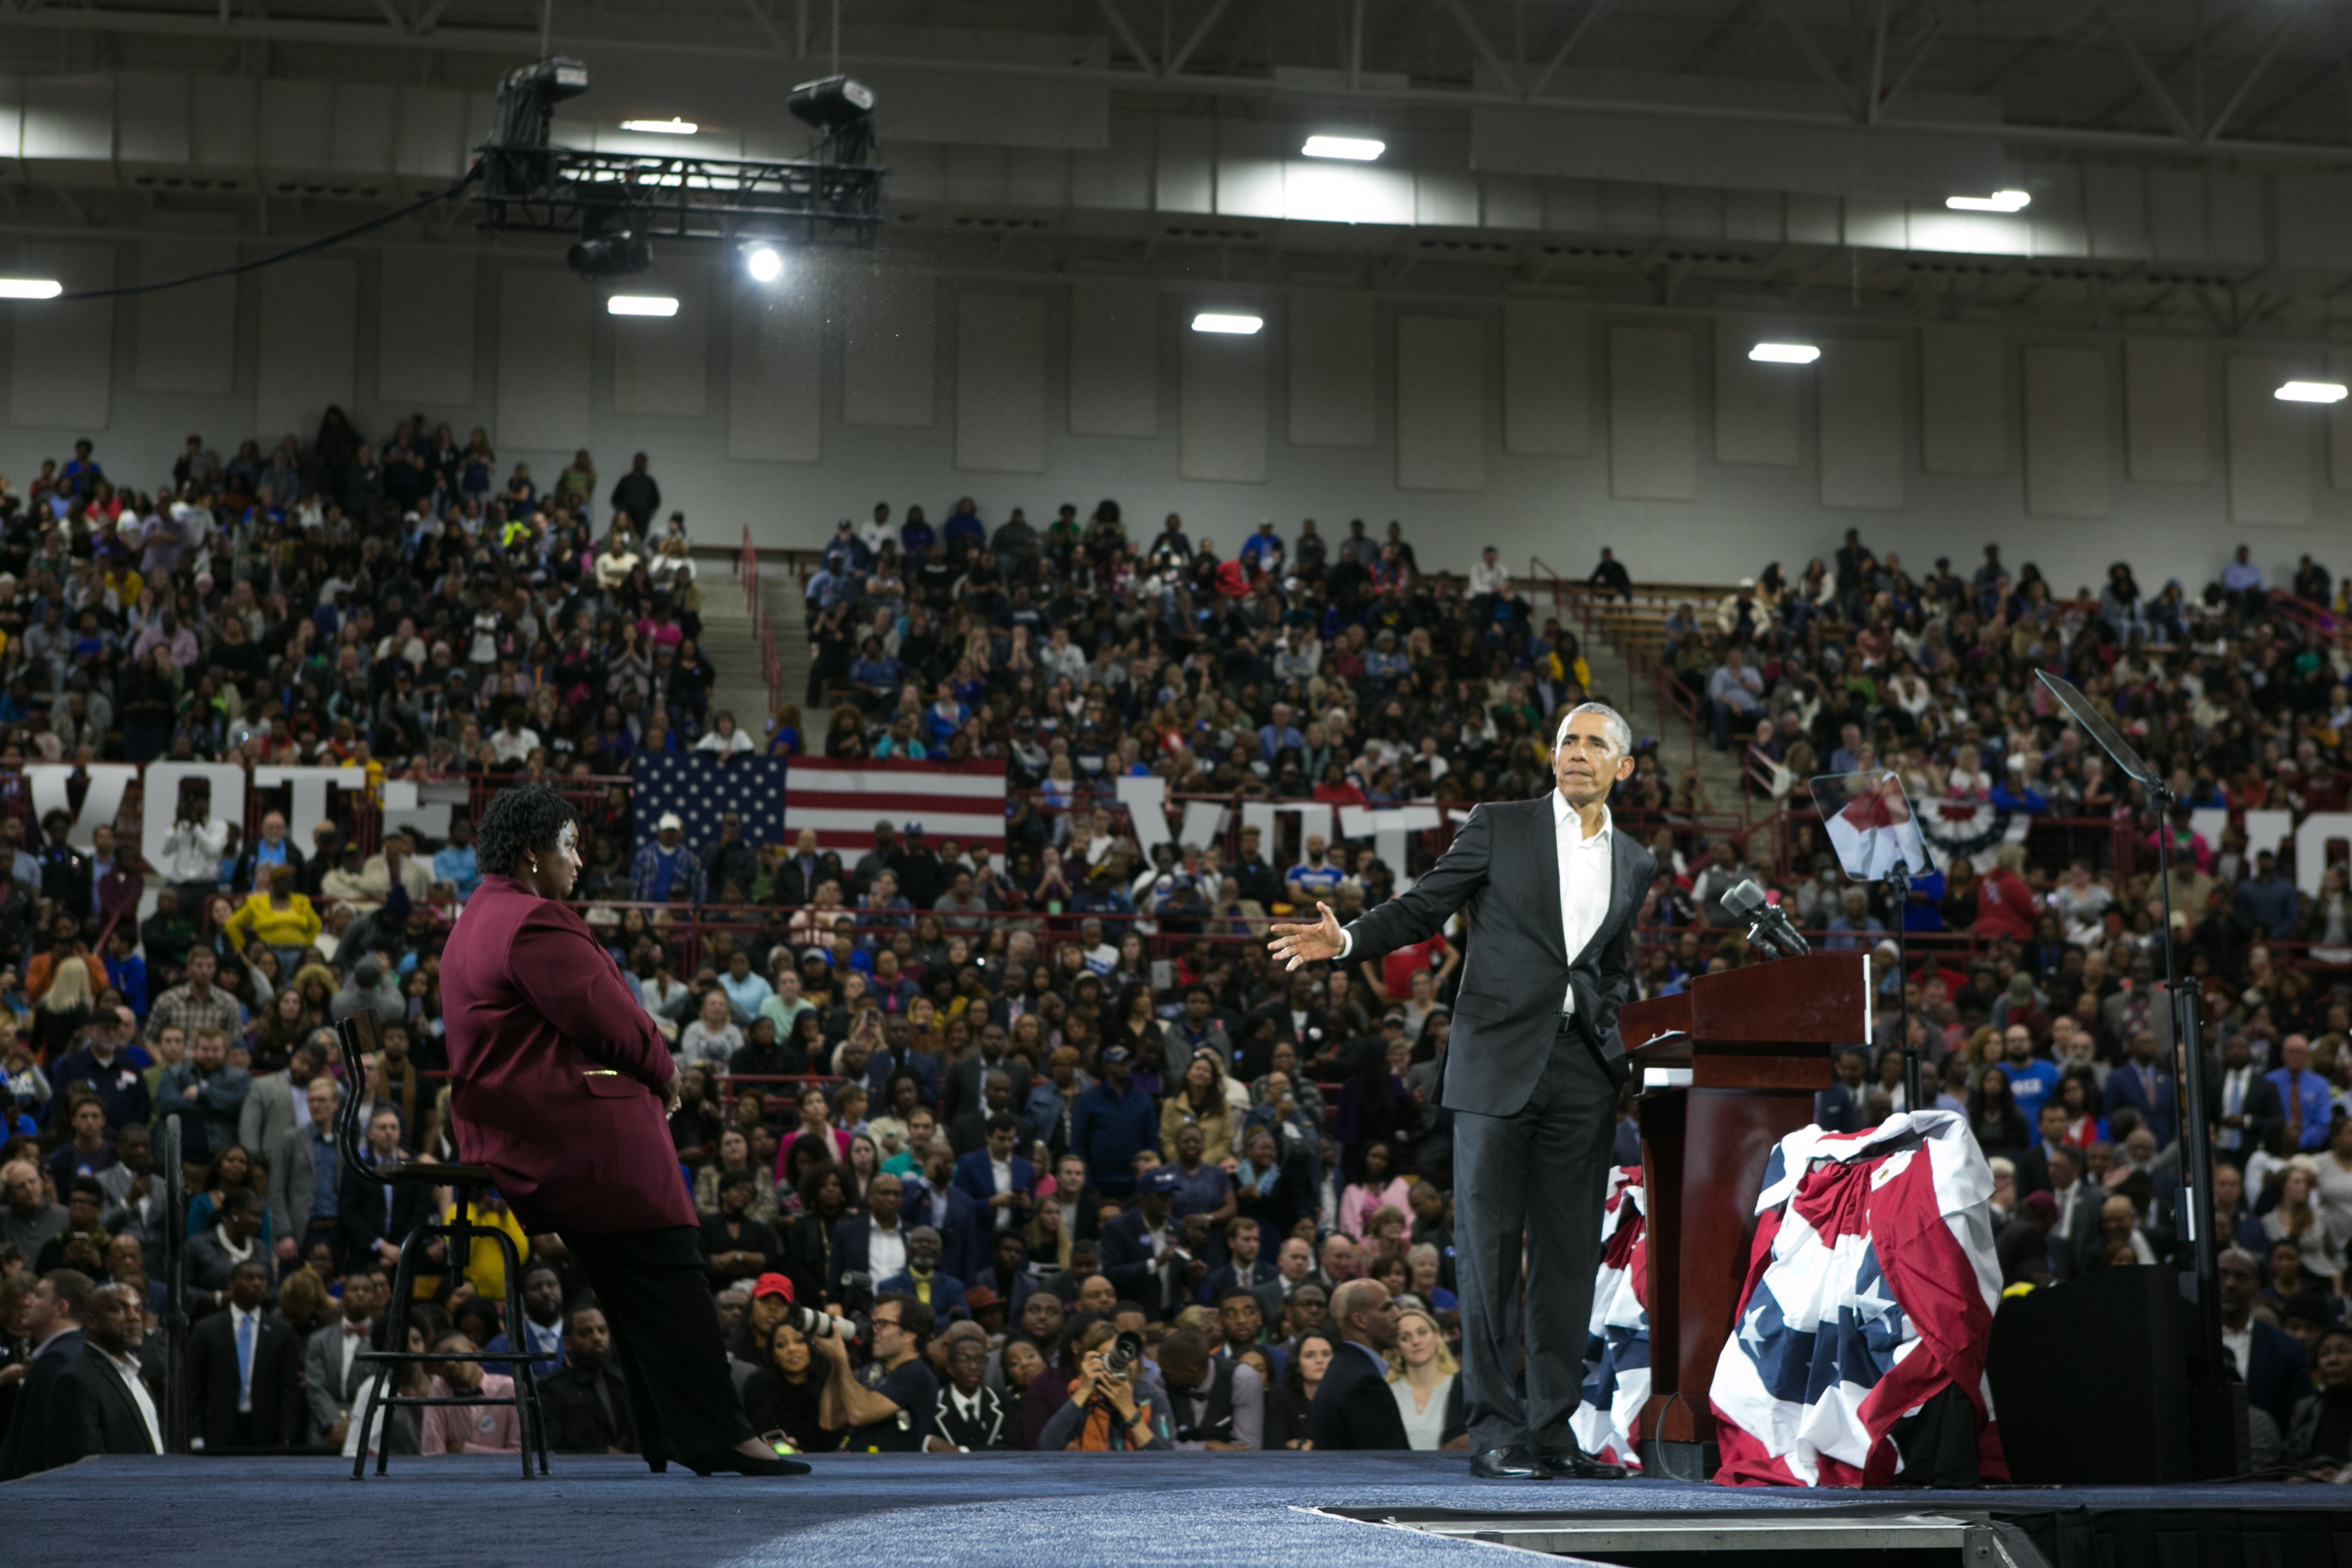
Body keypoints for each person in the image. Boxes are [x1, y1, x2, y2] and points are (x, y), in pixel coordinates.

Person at [1269, 703, 1651, 1480]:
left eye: (1595, 745)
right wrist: (1345, 941)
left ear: (1624, 768)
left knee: (1568, 1260)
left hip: (1581, 1075)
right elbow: (1423, 906)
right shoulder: (1499, 826)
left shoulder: (1636, 861)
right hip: (1494, 1067)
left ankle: (1551, 1431)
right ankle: (1496, 1432)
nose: (1577, 754)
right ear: (1553, 757)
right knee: (1486, 1254)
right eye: (1567, 742)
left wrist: (1616, 1044)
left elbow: (1612, 968)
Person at [436, 786, 803, 1477]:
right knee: (668, 1255)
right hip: (549, 1129)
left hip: (512, 1120)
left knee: (633, 1274)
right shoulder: (533, 921)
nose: (578, 862)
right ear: (530, 856)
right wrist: (664, 1072)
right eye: (568, 847)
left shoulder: (479, 915)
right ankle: (718, 1433)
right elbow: (608, 1015)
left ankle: (669, 1431)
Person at [187, 1259, 304, 1450]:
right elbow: (194, 1386)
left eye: (262, 1278)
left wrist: (286, 1437)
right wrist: (195, 1434)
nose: (257, 1283)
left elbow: (289, 1390)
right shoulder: (206, 1329)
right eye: (249, 1278)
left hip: (266, 1432)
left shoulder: (282, 1332)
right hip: (216, 1430)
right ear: (231, 1284)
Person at [42, 1282, 161, 1463]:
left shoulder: (136, 1375)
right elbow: (84, 1462)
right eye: (120, 1310)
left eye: (138, 1310)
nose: (134, 1318)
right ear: (91, 1321)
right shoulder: (77, 1380)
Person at [811, 1291, 939, 1451]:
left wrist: (841, 1359)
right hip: (857, 1470)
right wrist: (837, 1363)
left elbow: (859, 1414)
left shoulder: (918, 1375)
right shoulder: (873, 1372)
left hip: (889, 1474)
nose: (874, 1330)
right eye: (873, 1324)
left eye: (883, 1324)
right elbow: (829, 1420)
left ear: (909, 1335)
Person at [0, 1268, 92, 1478]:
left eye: (39, 1295)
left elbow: (35, 1445)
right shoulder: (79, 1349)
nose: (28, 1302)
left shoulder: (55, 1360)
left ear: (61, 1308)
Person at [1037, 1319, 1174, 1451]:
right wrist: (1084, 1390)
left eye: (1127, 1353)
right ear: (1093, 1360)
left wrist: (1129, 1411)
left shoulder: (1154, 1400)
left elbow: (1165, 1460)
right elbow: (1047, 1446)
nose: (1120, 1361)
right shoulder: (1084, 1398)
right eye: (1110, 1356)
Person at [1305, 1278, 1408, 1450]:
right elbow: (1388, 1466)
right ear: (1360, 1321)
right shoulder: (1364, 1384)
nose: (1397, 1315)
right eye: (1387, 1308)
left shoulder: (1341, 1367)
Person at [537, 1306, 640, 1454]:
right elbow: (546, 1452)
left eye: (602, 1331)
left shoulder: (625, 1382)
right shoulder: (552, 1389)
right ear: (567, 1343)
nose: (597, 1338)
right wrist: (603, 1454)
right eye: (586, 1333)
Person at [1156, 1326, 1263, 1451]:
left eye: (1169, 1373)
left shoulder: (1243, 1379)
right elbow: (1163, 1446)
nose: (1162, 1376)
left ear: (1192, 1372)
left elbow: (1248, 1448)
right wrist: (1207, 1447)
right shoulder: (1160, 1385)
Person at [1389, 1303, 1467, 1450]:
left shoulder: (1462, 1386)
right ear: (1396, 1348)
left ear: (1437, 1336)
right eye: (1405, 1338)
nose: (1416, 1341)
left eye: (1422, 1333)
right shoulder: (1388, 1391)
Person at [927, 1333, 1015, 1450]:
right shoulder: (931, 1405)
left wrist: (960, 1452)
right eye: (964, 1359)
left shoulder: (1005, 1402)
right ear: (950, 1368)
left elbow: (1014, 1448)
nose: (973, 1366)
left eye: (979, 1359)